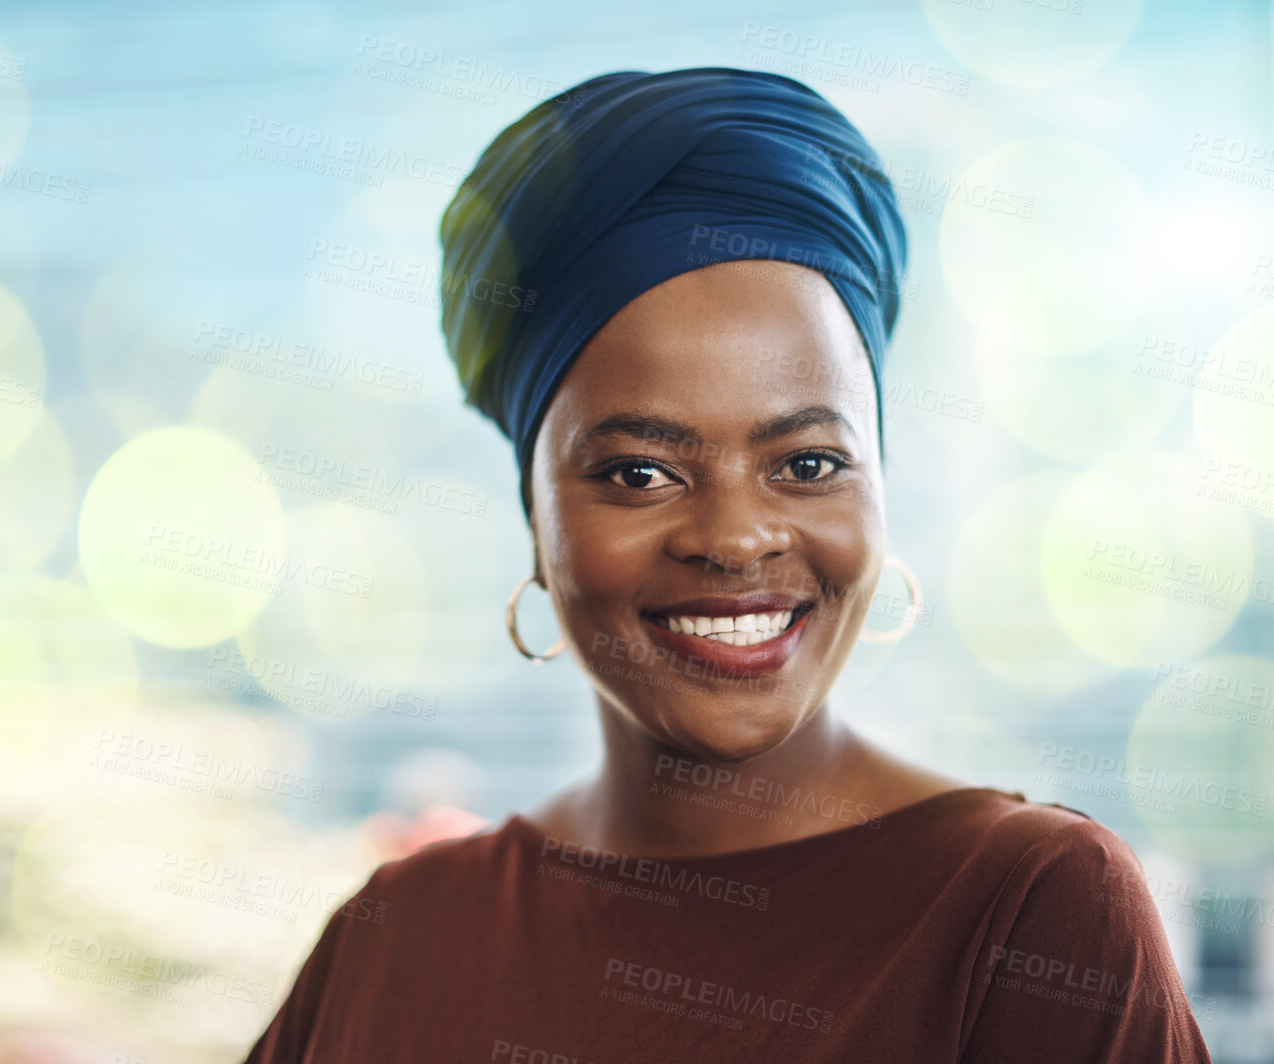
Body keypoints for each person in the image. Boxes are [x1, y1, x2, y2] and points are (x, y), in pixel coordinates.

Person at [240, 68, 1213, 1063]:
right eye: (639, 470)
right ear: (534, 517)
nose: (736, 537)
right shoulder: (398, 931)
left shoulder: (1026, 909)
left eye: (806, 463)